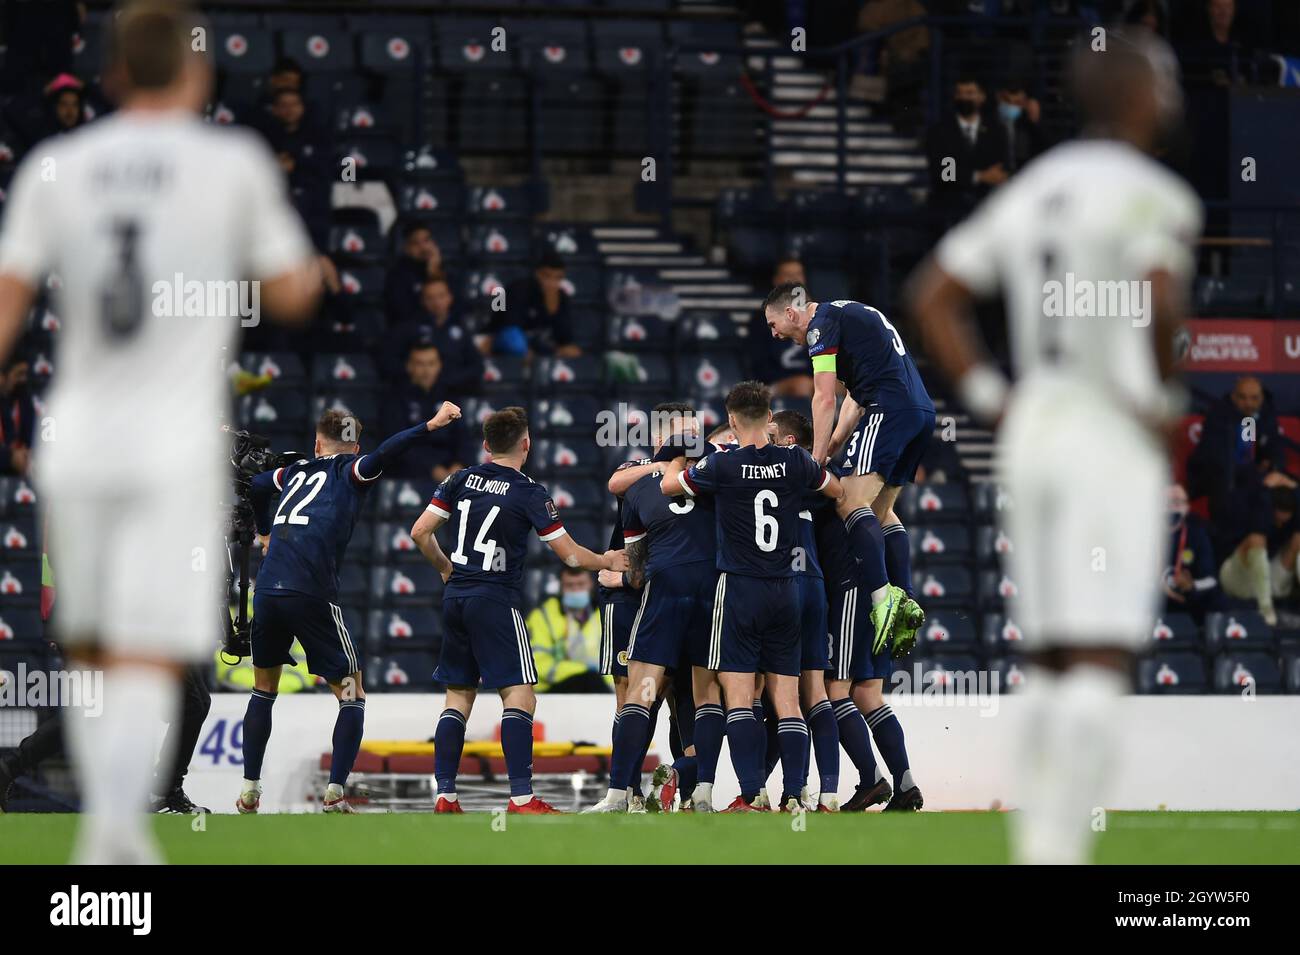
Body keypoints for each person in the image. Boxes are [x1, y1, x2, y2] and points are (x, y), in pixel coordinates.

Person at [0, 0, 321, 864]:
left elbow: (5, 311)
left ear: (108, 76)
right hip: (175, 440)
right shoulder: (231, 162)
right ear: (197, 74)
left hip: (82, 438)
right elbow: (295, 292)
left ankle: (107, 827)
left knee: (102, 645)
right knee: (149, 646)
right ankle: (116, 832)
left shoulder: (54, 166)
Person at [908, 29, 1202, 864]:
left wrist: (996, 400)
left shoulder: (1037, 185)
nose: (1174, 94)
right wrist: (1164, 396)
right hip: (1109, 428)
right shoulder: (1156, 195)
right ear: (1135, 95)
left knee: (1045, 656)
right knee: (1100, 655)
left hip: (1034, 428)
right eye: (1166, 78)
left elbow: (935, 295)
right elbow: (1157, 294)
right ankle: (1059, 852)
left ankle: (1040, 847)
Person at [238, 403, 463, 815]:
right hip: (312, 594)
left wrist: (265, 532)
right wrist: (429, 426)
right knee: (351, 693)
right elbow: (388, 453)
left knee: (263, 689)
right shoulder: (350, 471)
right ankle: (336, 792)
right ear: (355, 446)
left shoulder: (294, 472)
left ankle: (250, 789)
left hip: (269, 590)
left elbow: (255, 486)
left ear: (317, 442)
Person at [409, 407, 627, 815]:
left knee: (457, 697)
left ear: (487, 445)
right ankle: (521, 798)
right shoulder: (529, 492)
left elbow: (419, 531)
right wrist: (608, 560)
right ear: (526, 445)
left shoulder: (459, 479)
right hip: (495, 599)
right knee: (520, 698)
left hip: (455, 598)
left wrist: (444, 568)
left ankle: (445, 795)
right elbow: (572, 559)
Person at [657, 382, 843, 813]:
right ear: (770, 416)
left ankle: (753, 792)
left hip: (739, 588)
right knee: (787, 699)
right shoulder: (795, 461)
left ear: (734, 420)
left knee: (739, 697)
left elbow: (669, 487)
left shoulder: (723, 466)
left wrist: (675, 458)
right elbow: (835, 490)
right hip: (787, 588)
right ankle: (796, 793)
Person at [763, 287, 929, 658]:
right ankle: (906, 599)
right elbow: (853, 395)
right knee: (882, 510)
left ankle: (882, 598)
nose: (774, 334)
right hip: (920, 414)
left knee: (847, 501)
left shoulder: (821, 326)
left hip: (888, 411)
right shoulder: (849, 313)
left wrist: (816, 457)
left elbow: (824, 397)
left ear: (791, 313)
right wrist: (834, 443)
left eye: (773, 324)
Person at [587, 403, 712, 813]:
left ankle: (681, 785)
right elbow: (614, 482)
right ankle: (628, 791)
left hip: (654, 588)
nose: (694, 437)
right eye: (684, 431)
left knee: (680, 698)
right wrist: (660, 466)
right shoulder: (641, 470)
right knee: (634, 693)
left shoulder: (708, 471)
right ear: (661, 436)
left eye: (696, 430)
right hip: (633, 598)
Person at [378, 340, 473, 482]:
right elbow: (396, 442)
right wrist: (432, 468)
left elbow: (463, 438)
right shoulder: (395, 399)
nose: (426, 370)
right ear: (409, 366)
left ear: (439, 365)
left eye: (431, 363)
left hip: (450, 473)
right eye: (420, 364)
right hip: (411, 474)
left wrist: (458, 466)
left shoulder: (450, 397)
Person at [925, 76, 1007, 223]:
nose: (964, 98)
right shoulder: (940, 131)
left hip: (985, 211)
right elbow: (946, 174)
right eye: (960, 93)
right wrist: (979, 176)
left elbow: (999, 170)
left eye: (970, 93)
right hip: (949, 211)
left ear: (981, 97)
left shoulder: (996, 131)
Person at [381, 276, 482, 393]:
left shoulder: (461, 329)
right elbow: (389, 361)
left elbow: (476, 366)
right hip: (413, 393)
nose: (437, 302)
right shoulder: (408, 328)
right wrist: (415, 374)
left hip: (453, 392)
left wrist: (447, 380)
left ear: (450, 297)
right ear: (423, 301)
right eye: (430, 298)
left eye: (441, 296)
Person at [526, 567, 610, 693]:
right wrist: (585, 671)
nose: (576, 590)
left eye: (581, 584)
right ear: (561, 587)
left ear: (591, 585)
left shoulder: (606, 615)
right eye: (570, 585)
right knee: (589, 680)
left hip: (601, 688)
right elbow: (538, 663)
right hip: (553, 689)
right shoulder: (542, 616)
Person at [747, 257, 814, 397]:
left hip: (812, 378)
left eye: (798, 274)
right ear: (776, 280)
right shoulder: (762, 319)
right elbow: (758, 365)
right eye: (789, 275)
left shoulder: (816, 313)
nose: (795, 281)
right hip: (775, 383)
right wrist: (790, 380)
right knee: (802, 386)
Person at [492, 250, 579, 358]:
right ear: (538, 274)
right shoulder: (519, 289)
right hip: (508, 338)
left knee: (572, 351)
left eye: (558, 277)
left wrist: (552, 307)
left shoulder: (562, 297)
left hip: (539, 344)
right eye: (547, 276)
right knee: (516, 343)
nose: (552, 282)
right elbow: (509, 327)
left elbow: (565, 339)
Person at [1163, 483, 1222, 622]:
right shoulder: (1141, 532)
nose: (1174, 507)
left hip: (1186, 598)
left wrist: (1192, 585)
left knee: (1217, 600)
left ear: (1187, 508)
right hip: (1151, 599)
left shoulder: (1197, 534)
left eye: (1179, 502)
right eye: (1169, 502)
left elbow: (1211, 579)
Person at [384, 221, 448, 327]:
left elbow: (456, 309)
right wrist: (431, 276)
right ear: (406, 248)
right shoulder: (397, 276)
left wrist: (436, 273)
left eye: (427, 240)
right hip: (412, 332)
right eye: (415, 243)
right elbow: (403, 314)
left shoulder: (445, 270)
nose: (423, 247)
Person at [0, 358, 35, 476]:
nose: (23, 379)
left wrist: (24, 455)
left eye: (25, 374)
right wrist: (10, 457)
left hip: (15, 475)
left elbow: (30, 440)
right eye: (18, 374)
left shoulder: (24, 398)